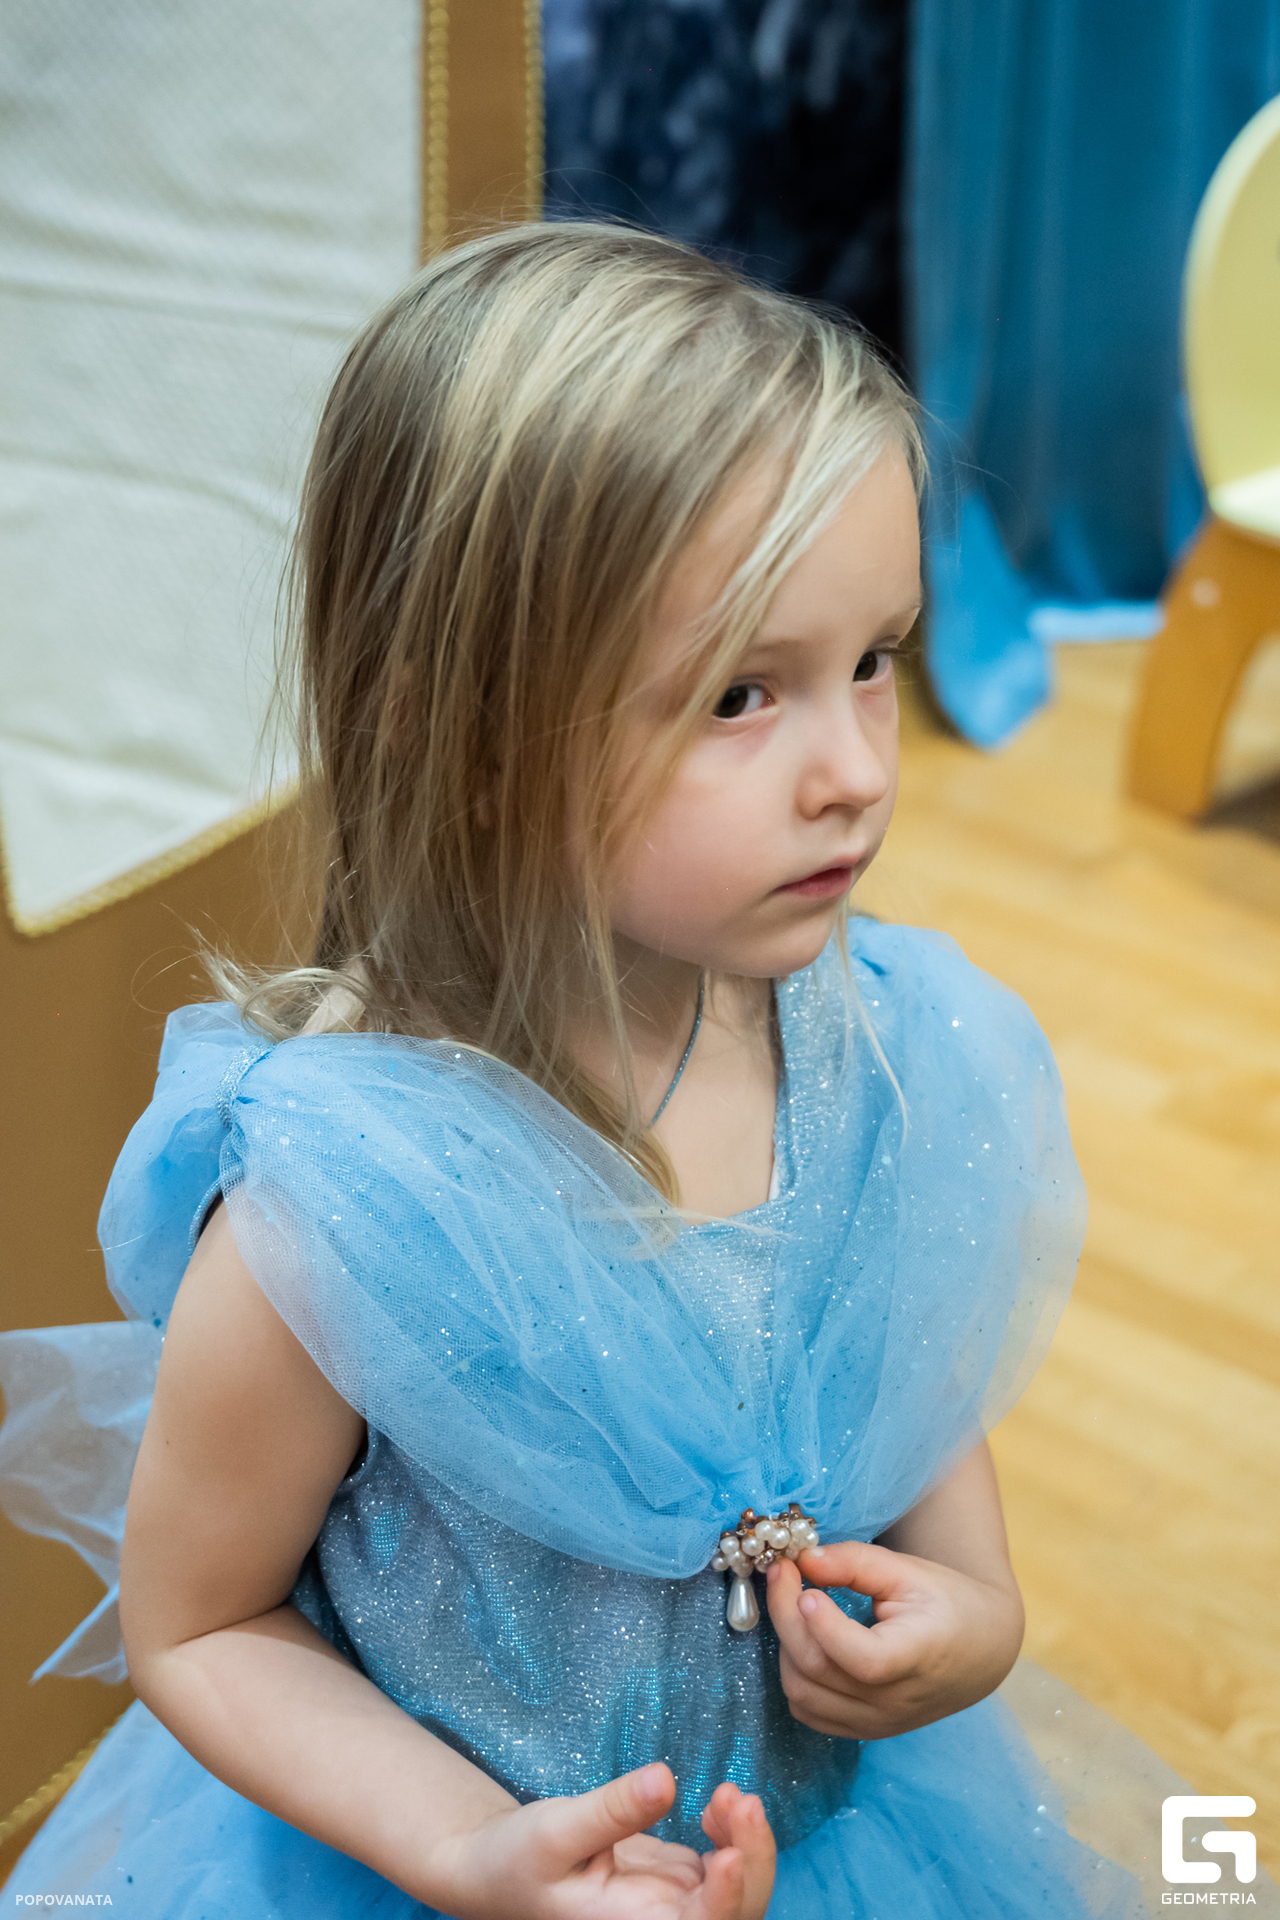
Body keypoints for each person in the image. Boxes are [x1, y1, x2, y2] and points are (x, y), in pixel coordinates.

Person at [1, 223, 1144, 1918]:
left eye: (875, 662)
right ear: (460, 733)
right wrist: (464, 1846)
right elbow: (201, 1621)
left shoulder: (898, 1053)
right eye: (742, 694)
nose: (852, 768)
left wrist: (977, 1609)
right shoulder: (340, 1210)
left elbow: (886, 1384)